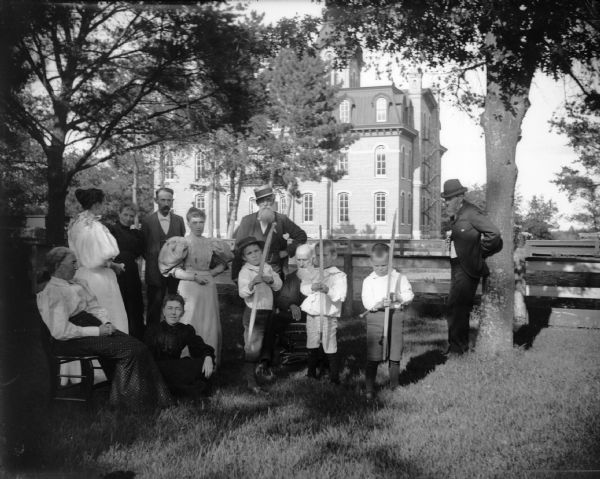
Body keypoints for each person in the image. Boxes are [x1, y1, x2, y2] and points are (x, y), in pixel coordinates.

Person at [36, 247, 172, 409]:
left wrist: (105, 322)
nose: (77, 267)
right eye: (72, 263)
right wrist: (97, 331)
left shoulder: (79, 282)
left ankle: (151, 397)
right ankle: (128, 403)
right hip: (71, 340)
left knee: (138, 346)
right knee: (129, 351)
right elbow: (61, 331)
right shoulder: (51, 292)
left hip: (90, 325)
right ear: (58, 265)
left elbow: (94, 307)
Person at [159, 207, 233, 367]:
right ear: (188, 223)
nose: (198, 226)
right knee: (189, 319)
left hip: (207, 287)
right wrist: (194, 277)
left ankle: (208, 362)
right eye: (194, 222)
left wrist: (210, 273)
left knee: (208, 321)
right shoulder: (181, 243)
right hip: (189, 286)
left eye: (201, 222)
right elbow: (172, 270)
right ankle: (185, 363)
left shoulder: (211, 243)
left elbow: (224, 264)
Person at [442, 179, 503, 355]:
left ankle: (458, 350)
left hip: (467, 268)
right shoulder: (458, 214)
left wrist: (479, 251)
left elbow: (494, 233)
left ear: (459, 197)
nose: (446, 202)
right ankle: (455, 347)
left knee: (459, 309)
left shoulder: (471, 212)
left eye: (449, 198)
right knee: (454, 308)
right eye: (446, 198)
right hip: (457, 267)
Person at [68, 188, 128, 334]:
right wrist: (113, 265)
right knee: (106, 312)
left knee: (89, 313)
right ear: (95, 205)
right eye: (102, 203)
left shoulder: (74, 224)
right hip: (98, 278)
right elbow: (96, 259)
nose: (103, 206)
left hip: (81, 275)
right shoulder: (94, 226)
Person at [361, 243, 414, 400]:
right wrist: (376, 304)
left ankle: (394, 385)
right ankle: (369, 388)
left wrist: (400, 297)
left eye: (384, 265)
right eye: (377, 265)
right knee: (374, 354)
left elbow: (409, 295)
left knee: (394, 352)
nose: (381, 268)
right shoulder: (369, 280)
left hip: (395, 316)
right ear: (371, 263)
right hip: (376, 318)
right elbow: (366, 300)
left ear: (390, 262)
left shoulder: (399, 278)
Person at [144, 294, 215, 399]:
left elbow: (199, 347)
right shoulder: (153, 330)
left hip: (176, 367)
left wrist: (208, 357)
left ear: (183, 313)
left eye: (177, 309)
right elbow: (146, 356)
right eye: (170, 308)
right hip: (157, 370)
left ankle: (176, 388)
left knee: (202, 362)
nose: (173, 313)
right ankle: (177, 388)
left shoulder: (185, 330)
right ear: (163, 311)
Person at [232, 185, 307, 282]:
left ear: (272, 201)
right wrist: (235, 275)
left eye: (268, 200)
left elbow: (301, 236)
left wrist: (287, 251)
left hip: (275, 271)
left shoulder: (281, 219)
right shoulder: (247, 221)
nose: (266, 203)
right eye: (262, 201)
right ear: (257, 203)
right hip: (251, 272)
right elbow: (238, 249)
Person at [237, 236, 283, 393]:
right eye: (249, 253)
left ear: (262, 252)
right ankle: (251, 380)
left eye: (257, 251)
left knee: (267, 341)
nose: (255, 255)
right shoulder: (245, 271)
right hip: (254, 312)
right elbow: (242, 293)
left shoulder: (268, 268)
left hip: (268, 310)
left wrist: (270, 280)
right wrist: (251, 284)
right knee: (253, 345)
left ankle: (262, 368)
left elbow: (278, 286)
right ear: (244, 257)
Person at [300, 240, 347, 384]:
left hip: (328, 315)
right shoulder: (311, 272)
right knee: (312, 343)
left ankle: (334, 377)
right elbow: (303, 288)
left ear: (334, 256)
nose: (322, 259)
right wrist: (312, 287)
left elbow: (341, 295)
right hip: (312, 314)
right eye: (318, 256)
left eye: (325, 255)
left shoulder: (339, 275)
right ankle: (311, 373)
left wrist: (328, 290)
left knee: (329, 343)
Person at [141, 187, 186, 326]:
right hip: (154, 272)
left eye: (169, 200)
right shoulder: (147, 221)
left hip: (175, 273)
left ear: (172, 201)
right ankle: (151, 338)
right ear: (156, 201)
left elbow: (182, 244)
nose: (166, 203)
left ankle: (173, 336)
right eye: (163, 200)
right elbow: (143, 247)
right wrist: (157, 262)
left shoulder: (179, 220)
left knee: (175, 305)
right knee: (154, 307)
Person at [108, 203, 145, 339]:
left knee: (134, 305)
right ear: (119, 214)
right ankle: (120, 335)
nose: (128, 218)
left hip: (132, 272)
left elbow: (140, 252)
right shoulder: (111, 230)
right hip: (116, 271)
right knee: (120, 302)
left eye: (131, 216)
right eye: (125, 215)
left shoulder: (137, 234)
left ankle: (136, 336)